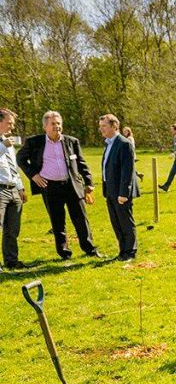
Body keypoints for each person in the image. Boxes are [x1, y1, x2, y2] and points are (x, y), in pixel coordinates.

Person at [17, 110, 102, 260]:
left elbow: (81, 163)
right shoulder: (34, 142)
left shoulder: (71, 141)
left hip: (72, 185)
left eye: (59, 123)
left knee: (81, 218)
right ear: (45, 127)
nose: (57, 126)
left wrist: (88, 182)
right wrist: (33, 175)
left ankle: (90, 249)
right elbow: (20, 159)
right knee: (57, 221)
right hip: (49, 187)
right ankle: (64, 253)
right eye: (53, 124)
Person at [98, 114, 141, 261]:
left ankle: (130, 252)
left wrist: (124, 193)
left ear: (114, 126)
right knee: (116, 222)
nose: (101, 129)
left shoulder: (124, 143)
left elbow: (127, 171)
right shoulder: (108, 143)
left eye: (104, 126)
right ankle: (122, 251)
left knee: (125, 222)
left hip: (121, 191)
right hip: (110, 189)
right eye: (100, 126)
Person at [0, 108, 27, 270]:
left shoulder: (7, 142)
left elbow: (13, 166)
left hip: (13, 189)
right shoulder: (5, 143)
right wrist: (2, 146)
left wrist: (20, 187)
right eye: (9, 123)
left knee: (12, 229)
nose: (12, 127)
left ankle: (11, 261)